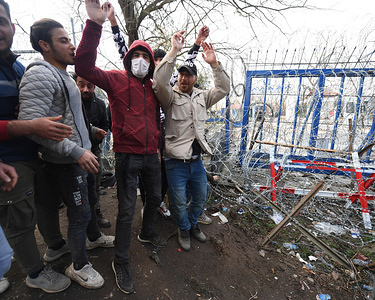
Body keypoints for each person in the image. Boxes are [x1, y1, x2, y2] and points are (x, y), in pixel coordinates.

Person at [75, 0, 166, 294]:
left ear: (151, 63)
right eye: (135, 55)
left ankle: (147, 232)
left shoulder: (154, 87)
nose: (140, 60)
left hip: (152, 155)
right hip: (127, 157)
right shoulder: (115, 80)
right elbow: (84, 66)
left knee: (154, 197)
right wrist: (95, 23)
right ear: (129, 60)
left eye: (145, 56)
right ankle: (122, 261)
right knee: (126, 211)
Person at [18, 18, 107, 290]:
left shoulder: (62, 74)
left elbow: (68, 118)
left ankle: (65, 248)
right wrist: (76, 150)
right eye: (64, 40)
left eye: (70, 39)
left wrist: (90, 132)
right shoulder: (40, 74)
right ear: (44, 45)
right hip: (67, 163)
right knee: (78, 215)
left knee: (87, 207)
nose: (71, 46)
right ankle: (78, 266)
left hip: (78, 157)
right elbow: (33, 128)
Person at [0, 0, 71, 294]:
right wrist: (32, 126)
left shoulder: (17, 67)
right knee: (19, 220)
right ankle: (35, 273)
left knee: (44, 204)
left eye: (1, 21)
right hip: (9, 164)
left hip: (32, 154)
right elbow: (31, 120)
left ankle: (54, 245)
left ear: (12, 27)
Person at [153, 32, 230, 251]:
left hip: (196, 162)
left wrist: (214, 64)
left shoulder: (202, 97)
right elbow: (158, 83)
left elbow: (223, 88)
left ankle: (193, 223)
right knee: (177, 202)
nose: (184, 78)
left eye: (188, 76)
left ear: (195, 79)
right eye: (181, 75)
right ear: (177, 77)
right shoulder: (169, 97)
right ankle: (184, 228)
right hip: (175, 162)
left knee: (200, 198)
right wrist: (174, 51)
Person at [74, 74, 111, 228]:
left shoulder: (100, 104)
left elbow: (105, 126)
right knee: (77, 188)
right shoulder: (70, 102)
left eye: (89, 86)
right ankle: (80, 219)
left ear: (94, 86)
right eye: (81, 85)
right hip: (74, 152)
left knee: (94, 185)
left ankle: (96, 214)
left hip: (94, 150)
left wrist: (97, 137)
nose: (85, 89)